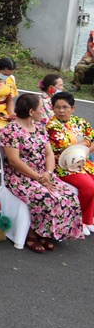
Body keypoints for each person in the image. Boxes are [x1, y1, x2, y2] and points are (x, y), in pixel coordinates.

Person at [0, 93, 85, 252]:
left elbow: (49, 154)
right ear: (31, 111)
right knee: (45, 197)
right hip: (20, 177)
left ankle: (47, 233)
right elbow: (14, 161)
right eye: (40, 109)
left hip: (42, 174)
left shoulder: (39, 128)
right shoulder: (11, 131)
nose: (44, 112)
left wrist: (48, 173)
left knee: (68, 195)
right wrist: (38, 177)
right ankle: (32, 233)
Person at [45, 91, 94, 234]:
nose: (61, 110)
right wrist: (86, 143)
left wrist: (85, 148)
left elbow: (92, 139)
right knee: (89, 186)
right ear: (52, 108)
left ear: (73, 108)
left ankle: (89, 216)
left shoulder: (80, 122)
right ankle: (81, 220)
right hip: (63, 166)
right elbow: (64, 148)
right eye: (57, 107)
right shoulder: (51, 126)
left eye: (65, 107)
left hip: (83, 162)